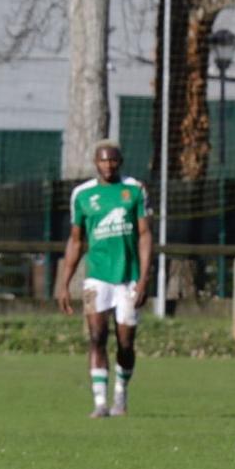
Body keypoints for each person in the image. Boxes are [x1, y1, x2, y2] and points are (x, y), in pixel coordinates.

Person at [55, 140, 153, 418]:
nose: (108, 165)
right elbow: (76, 241)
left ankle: (120, 394)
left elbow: (145, 235)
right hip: (96, 278)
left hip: (129, 278)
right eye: (103, 160)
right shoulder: (82, 195)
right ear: (95, 162)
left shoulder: (134, 189)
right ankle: (100, 402)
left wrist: (144, 278)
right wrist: (64, 283)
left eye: (113, 160)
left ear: (120, 162)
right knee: (97, 337)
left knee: (125, 342)